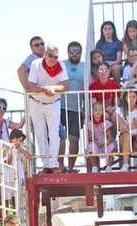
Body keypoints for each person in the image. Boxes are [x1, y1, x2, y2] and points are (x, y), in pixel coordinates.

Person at [25, 44, 69, 174]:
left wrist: (53, 88)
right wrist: (44, 89)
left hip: (53, 102)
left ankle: (53, 164)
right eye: (50, 55)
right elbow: (30, 85)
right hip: (36, 102)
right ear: (45, 55)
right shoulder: (35, 64)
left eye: (55, 57)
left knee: (54, 133)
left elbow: (66, 85)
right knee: (40, 133)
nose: (52, 59)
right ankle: (46, 165)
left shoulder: (61, 65)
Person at [60, 41, 85, 173]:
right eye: (72, 51)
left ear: (81, 53)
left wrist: (85, 109)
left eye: (77, 51)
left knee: (74, 139)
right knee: (60, 138)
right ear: (68, 52)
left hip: (76, 109)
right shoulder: (61, 64)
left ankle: (70, 167)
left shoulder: (85, 66)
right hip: (60, 107)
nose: (74, 54)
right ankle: (60, 166)